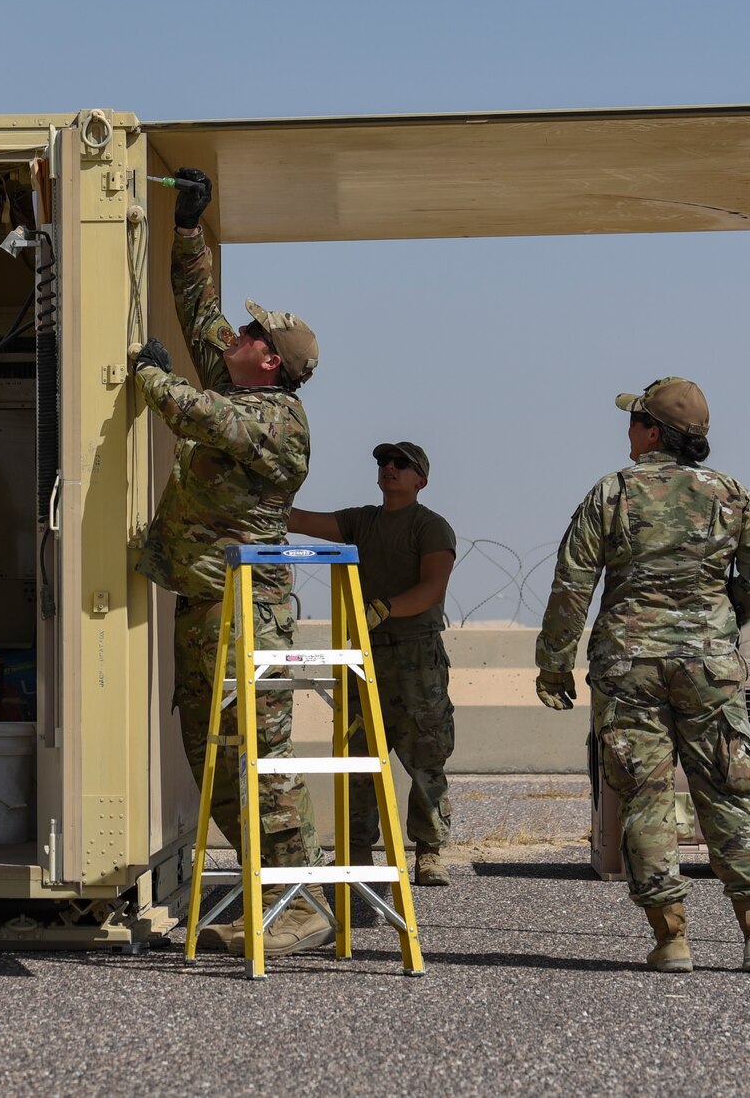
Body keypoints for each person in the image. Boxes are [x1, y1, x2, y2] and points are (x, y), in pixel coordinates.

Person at [130, 167, 330, 957]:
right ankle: (273, 891)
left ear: (271, 360)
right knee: (211, 751)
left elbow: (192, 409)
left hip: (248, 611)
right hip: (211, 603)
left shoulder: (278, 422)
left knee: (256, 752)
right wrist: (188, 228)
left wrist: (148, 375)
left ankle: (300, 899)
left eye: (253, 336)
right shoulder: (244, 381)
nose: (238, 338)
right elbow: (199, 312)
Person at [533, 377, 750, 973]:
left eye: (634, 420)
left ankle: (671, 939)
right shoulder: (730, 494)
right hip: (708, 665)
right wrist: (717, 623)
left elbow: (573, 585)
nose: (626, 430)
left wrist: (553, 663)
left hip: (628, 667)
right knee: (727, 788)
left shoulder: (613, 493)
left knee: (645, 799)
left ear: (654, 432)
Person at [289, 440, 459, 902]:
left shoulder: (430, 527)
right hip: (366, 653)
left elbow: (431, 588)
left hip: (415, 654)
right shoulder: (361, 521)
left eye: (401, 464)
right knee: (358, 749)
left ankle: (428, 850)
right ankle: (358, 850)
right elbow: (301, 521)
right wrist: (263, 496)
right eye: (385, 462)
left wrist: (384, 609)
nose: (389, 468)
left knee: (425, 752)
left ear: (420, 480)